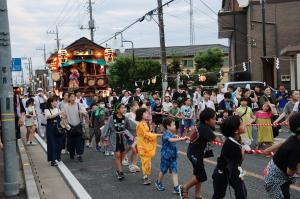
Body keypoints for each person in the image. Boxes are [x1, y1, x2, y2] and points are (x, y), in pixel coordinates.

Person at [179, 108, 218, 199]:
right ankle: (184, 187)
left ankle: (197, 195)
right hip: (195, 155)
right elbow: (217, 140)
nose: (215, 120)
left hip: (195, 153)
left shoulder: (201, 124)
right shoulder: (204, 128)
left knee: (198, 174)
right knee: (202, 176)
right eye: (214, 119)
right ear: (207, 120)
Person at [265, 112, 300, 199]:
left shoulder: (294, 136)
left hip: (273, 171)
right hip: (276, 182)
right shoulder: (296, 148)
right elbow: (290, 172)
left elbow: (282, 142)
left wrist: (268, 150)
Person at [212, 115, 247, 199]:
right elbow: (238, 162)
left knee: (242, 192)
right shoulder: (232, 144)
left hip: (231, 170)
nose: (245, 124)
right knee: (219, 195)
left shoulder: (235, 139)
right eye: (242, 124)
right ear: (235, 130)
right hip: (223, 172)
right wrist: (242, 153)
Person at [155, 117, 189, 194]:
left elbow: (172, 137)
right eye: (173, 125)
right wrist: (181, 139)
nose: (175, 126)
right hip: (166, 156)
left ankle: (176, 187)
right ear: (168, 126)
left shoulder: (170, 133)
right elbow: (169, 140)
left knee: (174, 170)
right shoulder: (165, 133)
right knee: (163, 170)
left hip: (173, 156)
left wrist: (175, 136)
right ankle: (158, 182)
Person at [102, 103, 136, 181]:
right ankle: (120, 172)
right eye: (122, 108)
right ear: (117, 110)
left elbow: (132, 126)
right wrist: (104, 138)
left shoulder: (125, 118)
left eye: (124, 108)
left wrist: (140, 127)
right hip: (114, 137)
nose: (124, 109)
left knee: (122, 154)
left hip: (123, 138)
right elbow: (107, 128)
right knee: (117, 155)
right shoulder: (111, 118)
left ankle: (118, 167)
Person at [136, 108, 162, 185]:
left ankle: (146, 175)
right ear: (141, 115)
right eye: (145, 113)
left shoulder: (145, 122)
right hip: (142, 145)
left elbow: (147, 133)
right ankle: (145, 177)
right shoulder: (140, 124)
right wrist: (157, 135)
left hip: (145, 144)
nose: (147, 114)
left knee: (147, 161)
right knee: (145, 161)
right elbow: (146, 134)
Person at [64, 93, 87, 162]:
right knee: (70, 142)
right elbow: (64, 116)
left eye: (73, 96)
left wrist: (82, 112)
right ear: (68, 98)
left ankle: (79, 155)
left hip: (78, 126)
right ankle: (72, 153)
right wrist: (66, 125)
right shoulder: (66, 106)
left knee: (79, 141)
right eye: (71, 96)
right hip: (70, 126)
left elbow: (85, 112)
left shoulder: (79, 105)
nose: (72, 98)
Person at [44, 97, 65, 166]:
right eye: (55, 101)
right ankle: (53, 160)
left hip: (58, 128)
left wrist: (65, 124)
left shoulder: (58, 109)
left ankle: (58, 156)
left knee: (59, 143)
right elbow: (49, 117)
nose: (56, 102)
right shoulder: (46, 110)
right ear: (51, 102)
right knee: (52, 144)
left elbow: (62, 118)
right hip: (51, 129)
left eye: (56, 101)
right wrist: (58, 113)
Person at [123, 101, 140, 173]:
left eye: (138, 106)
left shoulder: (139, 115)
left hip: (137, 134)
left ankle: (134, 165)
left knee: (135, 150)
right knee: (133, 150)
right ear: (131, 107)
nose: (137, 107)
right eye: (135, 106)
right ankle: (130, 165)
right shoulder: (128, 114)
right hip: (129, 134)